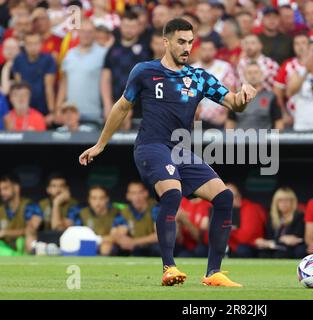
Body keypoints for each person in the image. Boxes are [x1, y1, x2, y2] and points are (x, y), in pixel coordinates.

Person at [78, 18, 257, 287]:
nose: (187, 48)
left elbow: (233, 103)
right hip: (151, 146)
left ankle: (213, 273)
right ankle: (169, 268)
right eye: (181, 42)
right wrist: (100, 144)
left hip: (180, 152)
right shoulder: (145, 71)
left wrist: (243, 97)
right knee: (172, 193)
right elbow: (122, 107)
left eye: (190, 42)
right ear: (166, 42)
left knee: (224, 197)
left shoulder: (199, 77)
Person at [57, 19, 108, 125]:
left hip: (94, 114)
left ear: (95, 33)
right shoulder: (69, 54)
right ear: (78, 32)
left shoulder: (104, 54)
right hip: (70, 115)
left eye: (90, 32)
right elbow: (64, 83)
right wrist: (58, 108)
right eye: (83, 31)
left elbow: (107, 82)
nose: (86, 35)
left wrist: (108, 106)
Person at [66, 185, 127, 256]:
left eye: (101, 198)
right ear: (89, 199)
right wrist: (101, 239)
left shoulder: (116, 213)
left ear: (107, 199)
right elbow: (78, 236)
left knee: (106, 246)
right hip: (87, 246)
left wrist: (109, 239)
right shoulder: (82, 214)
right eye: (94, 198)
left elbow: (120, 236)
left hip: (109, 246)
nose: (98, 202)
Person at [26, 172, 78, 253]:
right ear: (48, 189)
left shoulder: (74, 206)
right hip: (45, 240)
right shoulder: (41, 204)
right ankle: (33, 252)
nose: (58, 189)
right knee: (30, 229)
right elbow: (32, 226)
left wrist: (56, 203)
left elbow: (57, 228)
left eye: (61, 186)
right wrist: (33, 226)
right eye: (54, 186)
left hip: (65, 242)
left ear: (67, 189)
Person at [192, 37, 237, 129]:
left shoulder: (225, 67)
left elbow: (231, 92)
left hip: (219, 118)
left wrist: (226, 116)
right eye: (204, 49)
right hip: (198, 119)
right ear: (199, 51)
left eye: (210, 49)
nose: (207, 53)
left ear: (215, 51)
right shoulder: (192, 70)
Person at [13, 32, 57, 121]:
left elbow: (49, 87)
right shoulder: (18, 60)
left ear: (41, 44)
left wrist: (52, 112)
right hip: (25, 109)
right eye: (30, 43)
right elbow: (18, 88)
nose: (33, 47)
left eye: (36, 43)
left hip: (44, 108)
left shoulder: (48, 59)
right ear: (24, 45)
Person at [227, 62, 284, 130]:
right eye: (249, 73)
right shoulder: (236, 97)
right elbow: (230, 123)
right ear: (245, 76)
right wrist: (228, 139)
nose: (253, 75)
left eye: (256, 72)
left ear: (261, 75)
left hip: (264, 139)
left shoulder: (271, 97)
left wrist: (277, 139)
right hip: (240, 138)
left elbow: (279, 123)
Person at [255, 187, 306, 259]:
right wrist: (266, 242)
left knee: (281, 254)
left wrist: (272, 242)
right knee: (263, 253)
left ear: (293, 202)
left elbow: (294, 239)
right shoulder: (271, 217)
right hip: (273, 247)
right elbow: (269, 237)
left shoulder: (299, 216)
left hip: (289, 249)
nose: (284, 203)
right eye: (280, 200)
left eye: (287, 200)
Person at [0, 175, 43, 256]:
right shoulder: (1, 209)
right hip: (4, 245)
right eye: (0, 190)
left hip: (22, 244)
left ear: (16, 188)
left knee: (25, 238)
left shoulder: (29, 206)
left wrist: (6, 233)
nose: (2, 193)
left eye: (5, 188)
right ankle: (12, 255)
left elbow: (31, 229)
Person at [114, 181, 160, 257]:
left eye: (140, 193)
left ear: (146, 193)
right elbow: (116, 233)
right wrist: (122, 238)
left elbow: (159, 235)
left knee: (158, 248)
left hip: (152, 247)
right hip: (134, 247)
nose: (137, 197)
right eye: (133, 193)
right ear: (128, 196)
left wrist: (134, 242)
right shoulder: (125, 212)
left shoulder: (155, 209)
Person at [226, 183, 266, 258]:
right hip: (229, 246)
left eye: (233, 196)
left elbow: (246, 237)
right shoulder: (219, 209)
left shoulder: (250, 209)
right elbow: (208, 238)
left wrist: (228, 231)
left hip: (251, 247)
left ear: (239, 196)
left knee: (242, 249)